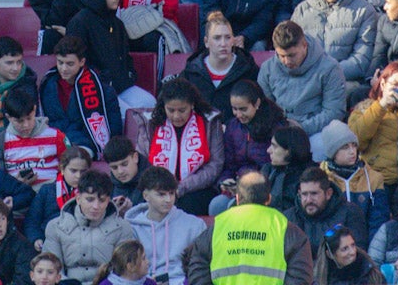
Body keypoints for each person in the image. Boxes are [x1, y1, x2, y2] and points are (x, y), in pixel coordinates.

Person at [186, 170, 312, 285]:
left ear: (237, 198)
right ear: (269, 199)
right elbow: (300, 277)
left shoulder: (217, 228)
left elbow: (198, 269)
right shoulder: (287, 230)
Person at [133, 78, 222, 216]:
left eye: (182, 110)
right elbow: (142, 162)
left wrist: (182, 187)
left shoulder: (209, 122)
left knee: (187, 204)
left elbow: (215, 165)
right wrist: (162, 188)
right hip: (157, 187)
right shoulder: (150, 123)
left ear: (192, 105)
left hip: (196, 189)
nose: (176, 116)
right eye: (171, 110)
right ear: (163, 106)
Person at [291, 0, 378, 83]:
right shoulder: (301, 11)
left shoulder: (364, 11)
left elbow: (362, 59)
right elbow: (292, 52)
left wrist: (328, 73)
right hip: (306, 81)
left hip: (346, 83)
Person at [41, 169, 136, 285]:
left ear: (108, 201)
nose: (96, 206)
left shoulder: (123, 227)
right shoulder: (55, 226)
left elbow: (123, 271)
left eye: (102, 200)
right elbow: (51, 268)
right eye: (90, 199)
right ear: (78, 198)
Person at [37, 36, 122, 160]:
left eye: (70, 64)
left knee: (75, 159)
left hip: (85, 146)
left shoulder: (102, 90)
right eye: (60, 62)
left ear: (82, 62)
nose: (64, 68)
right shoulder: (46, 85)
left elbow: (114, 128)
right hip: (52, 143)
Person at [258, 20, 346, 138]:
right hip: (278, 130)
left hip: (316, 131)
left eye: (292, 55)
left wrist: (302, 128)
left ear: (304, 45)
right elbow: (265, 106)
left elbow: (334, 112)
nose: (287, 61)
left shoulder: (330, 68)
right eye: (282, 56)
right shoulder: (267, 68)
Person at [349, 62, 398, 187]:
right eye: (395, 85)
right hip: (377, 181)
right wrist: (381, 106)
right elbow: (356, 140)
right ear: (383, 84)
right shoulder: (365, 109)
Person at [284, 166, 369, 253]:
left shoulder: (350, 213)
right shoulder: (287, 218)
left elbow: (356, 253)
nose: (308, 200)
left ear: (328, 193)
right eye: (304, 194)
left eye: (314, 194)